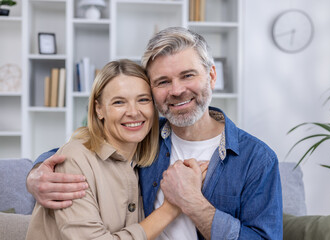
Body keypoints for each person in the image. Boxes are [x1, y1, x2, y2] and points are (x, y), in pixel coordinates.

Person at [27, 27, 283, 239]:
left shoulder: (256, 159)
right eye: (162, 82)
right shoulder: (145, 136)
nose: (176, 90)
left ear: (211, 76)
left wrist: (191, 201)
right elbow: (86, 150)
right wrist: (36, 173)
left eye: (188, 75)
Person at [26, 59, 182, 240]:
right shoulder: (74, 161)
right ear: (99, 109)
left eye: (143, 99)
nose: (133, 111)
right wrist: (171, 209)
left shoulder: (146, 154)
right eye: (119, 102)